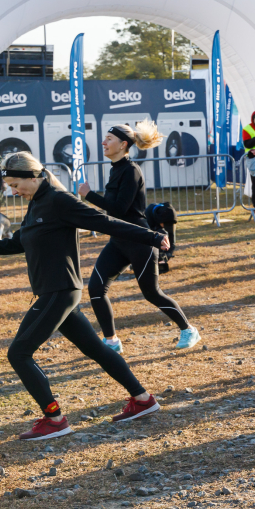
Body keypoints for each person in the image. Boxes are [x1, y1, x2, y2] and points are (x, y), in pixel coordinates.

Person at [0, 152, 166, 440]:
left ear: (33, 177)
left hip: (59, 292)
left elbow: (105, 222)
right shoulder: (36, 202)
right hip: (58, 294)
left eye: (15, 184)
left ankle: (54, 419)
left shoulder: (59, 201)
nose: (13, 191)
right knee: (96, 349)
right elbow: (15, 244)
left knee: (18, 353)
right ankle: (143, 399)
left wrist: (152, 236)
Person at [77, 121, 200, 352]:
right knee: (95, 288)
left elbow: (119, 209)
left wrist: (89, 195)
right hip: (118, 240)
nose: (103, 142)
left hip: (139, 239)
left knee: (152, 293)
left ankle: (188, 329)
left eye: (109, 139)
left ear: (123, 145)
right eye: (104, 138)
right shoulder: (116, 169)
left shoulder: (132, 170)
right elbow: (114, 210)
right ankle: (111, 341)